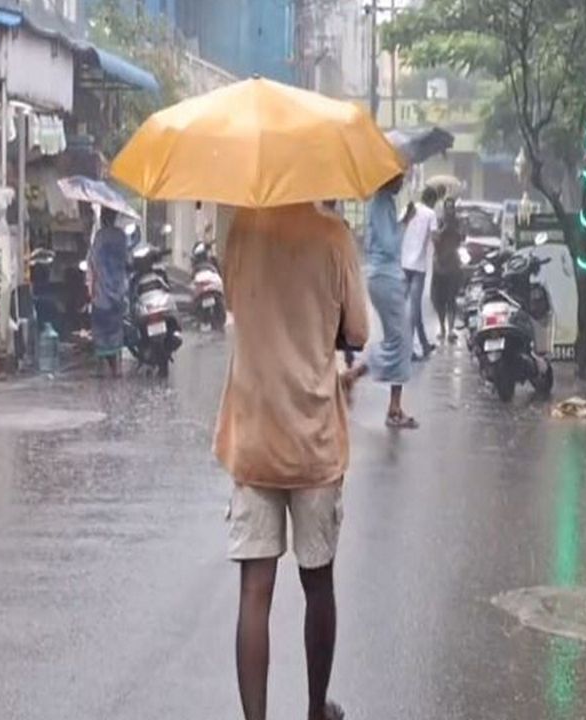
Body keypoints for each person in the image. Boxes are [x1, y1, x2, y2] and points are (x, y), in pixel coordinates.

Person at [215, 202, 369, 720]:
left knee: (254, 590)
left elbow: (234, 301)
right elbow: (359, 331)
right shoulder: (333, 236)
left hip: (255, 431)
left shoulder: (240, 232)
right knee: (317, 580)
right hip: (312, 439)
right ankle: (313, 709)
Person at [347, 174, 418, 429]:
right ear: (388, 178)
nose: (403, 182)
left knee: (400, 339)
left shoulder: (384, 202)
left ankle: (394, 406)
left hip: (386, 276)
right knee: (400, 340)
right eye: (400, 177)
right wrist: (406, 223)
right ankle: (356, 376)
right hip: (385, 276)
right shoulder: (381, 203)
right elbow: (389, 245)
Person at [87, 206, 129, 376]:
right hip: (118, 289)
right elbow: (127, 258)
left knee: (100, 329)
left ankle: (100, 368)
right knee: (116, 328)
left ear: (103, 218)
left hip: (102, 290)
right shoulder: (121, 236)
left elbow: (93, 262)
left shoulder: (100, 236)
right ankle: (116, 368)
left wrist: (92, 288)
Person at [400, 186, 440, 359]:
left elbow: (399, 227)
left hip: (403, 263)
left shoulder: (408, 208)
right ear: (432, 200)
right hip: (418, 267)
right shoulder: (431, 214)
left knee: (407, 307)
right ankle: (407, 350)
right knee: (414, 309)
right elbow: (435, 237)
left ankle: (423, 343)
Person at [431, 197, 464, 342]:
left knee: (451, 299)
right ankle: (442, 327)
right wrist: (443, 228)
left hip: (453, 266)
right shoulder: (438, 222)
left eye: (452, 207)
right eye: (447, 207)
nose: (450, 210)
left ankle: (450, 329)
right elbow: (434, 239)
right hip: (439, 266)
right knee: (439, 300)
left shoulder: (458, 223)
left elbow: (462, 238)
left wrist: (454, 229)